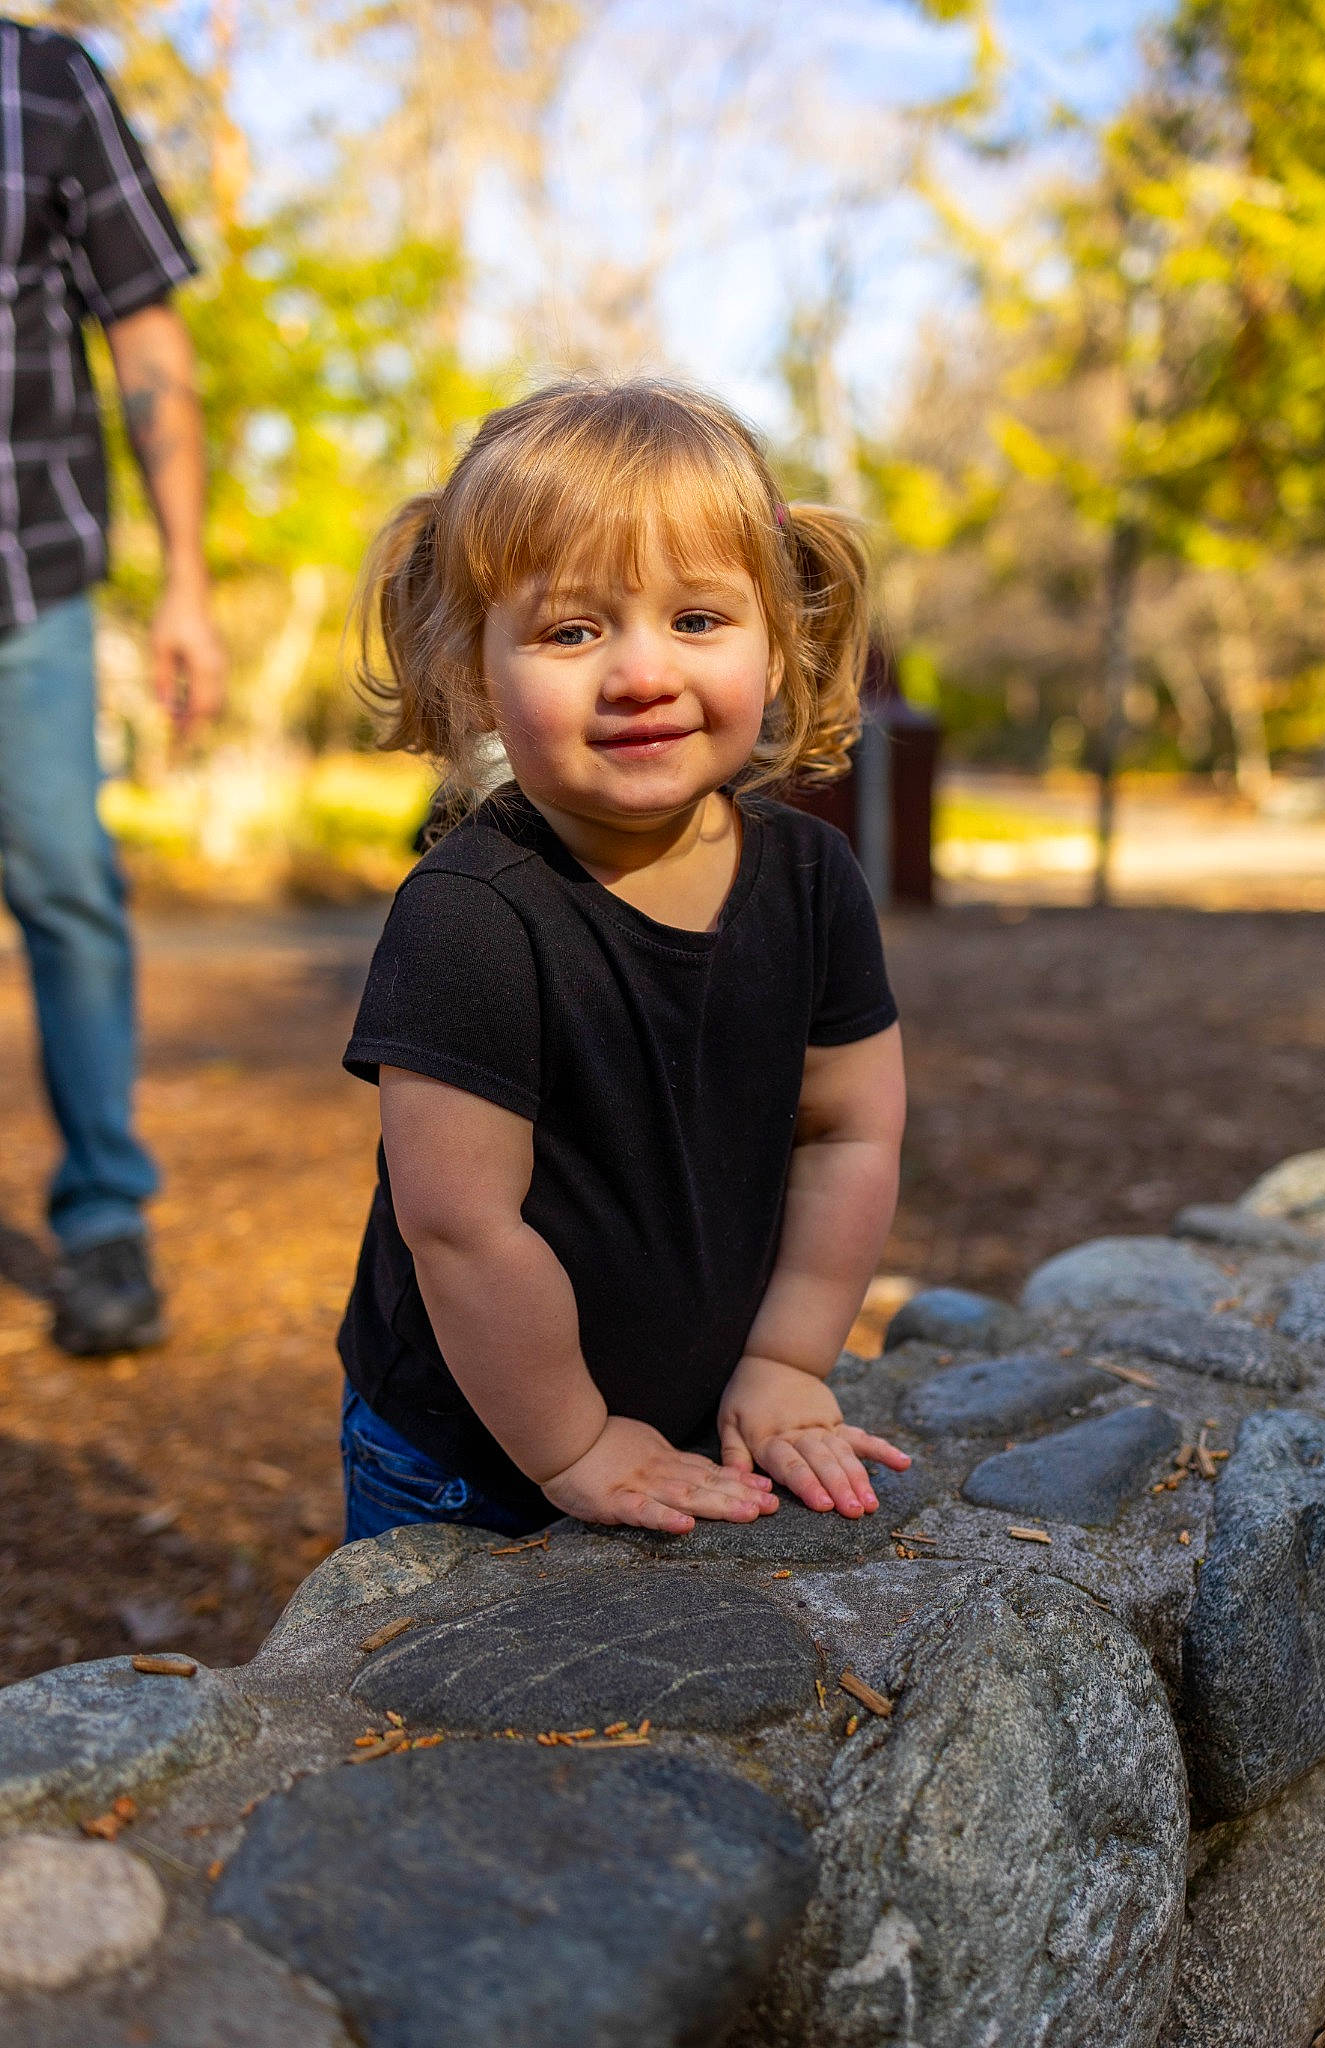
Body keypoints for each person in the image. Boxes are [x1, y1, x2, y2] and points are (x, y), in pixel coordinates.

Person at [337, 378, 909, 1541]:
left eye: (698, 620)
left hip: (694, 1418)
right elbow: (462, 1226)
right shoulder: (471, 916)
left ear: (779, 636)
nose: (643, 673)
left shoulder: (810, 879)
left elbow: (849, 1128)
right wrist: (574, 1443)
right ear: (470, 668)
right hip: (471, 1450)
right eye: (572, 629)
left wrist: (791, 1355)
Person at [0, 21, 224, 1353]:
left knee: (68, 882)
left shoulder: (44, 83)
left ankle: (101, 1219)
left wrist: (187, 578)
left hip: (23, 578)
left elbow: (145, 333)